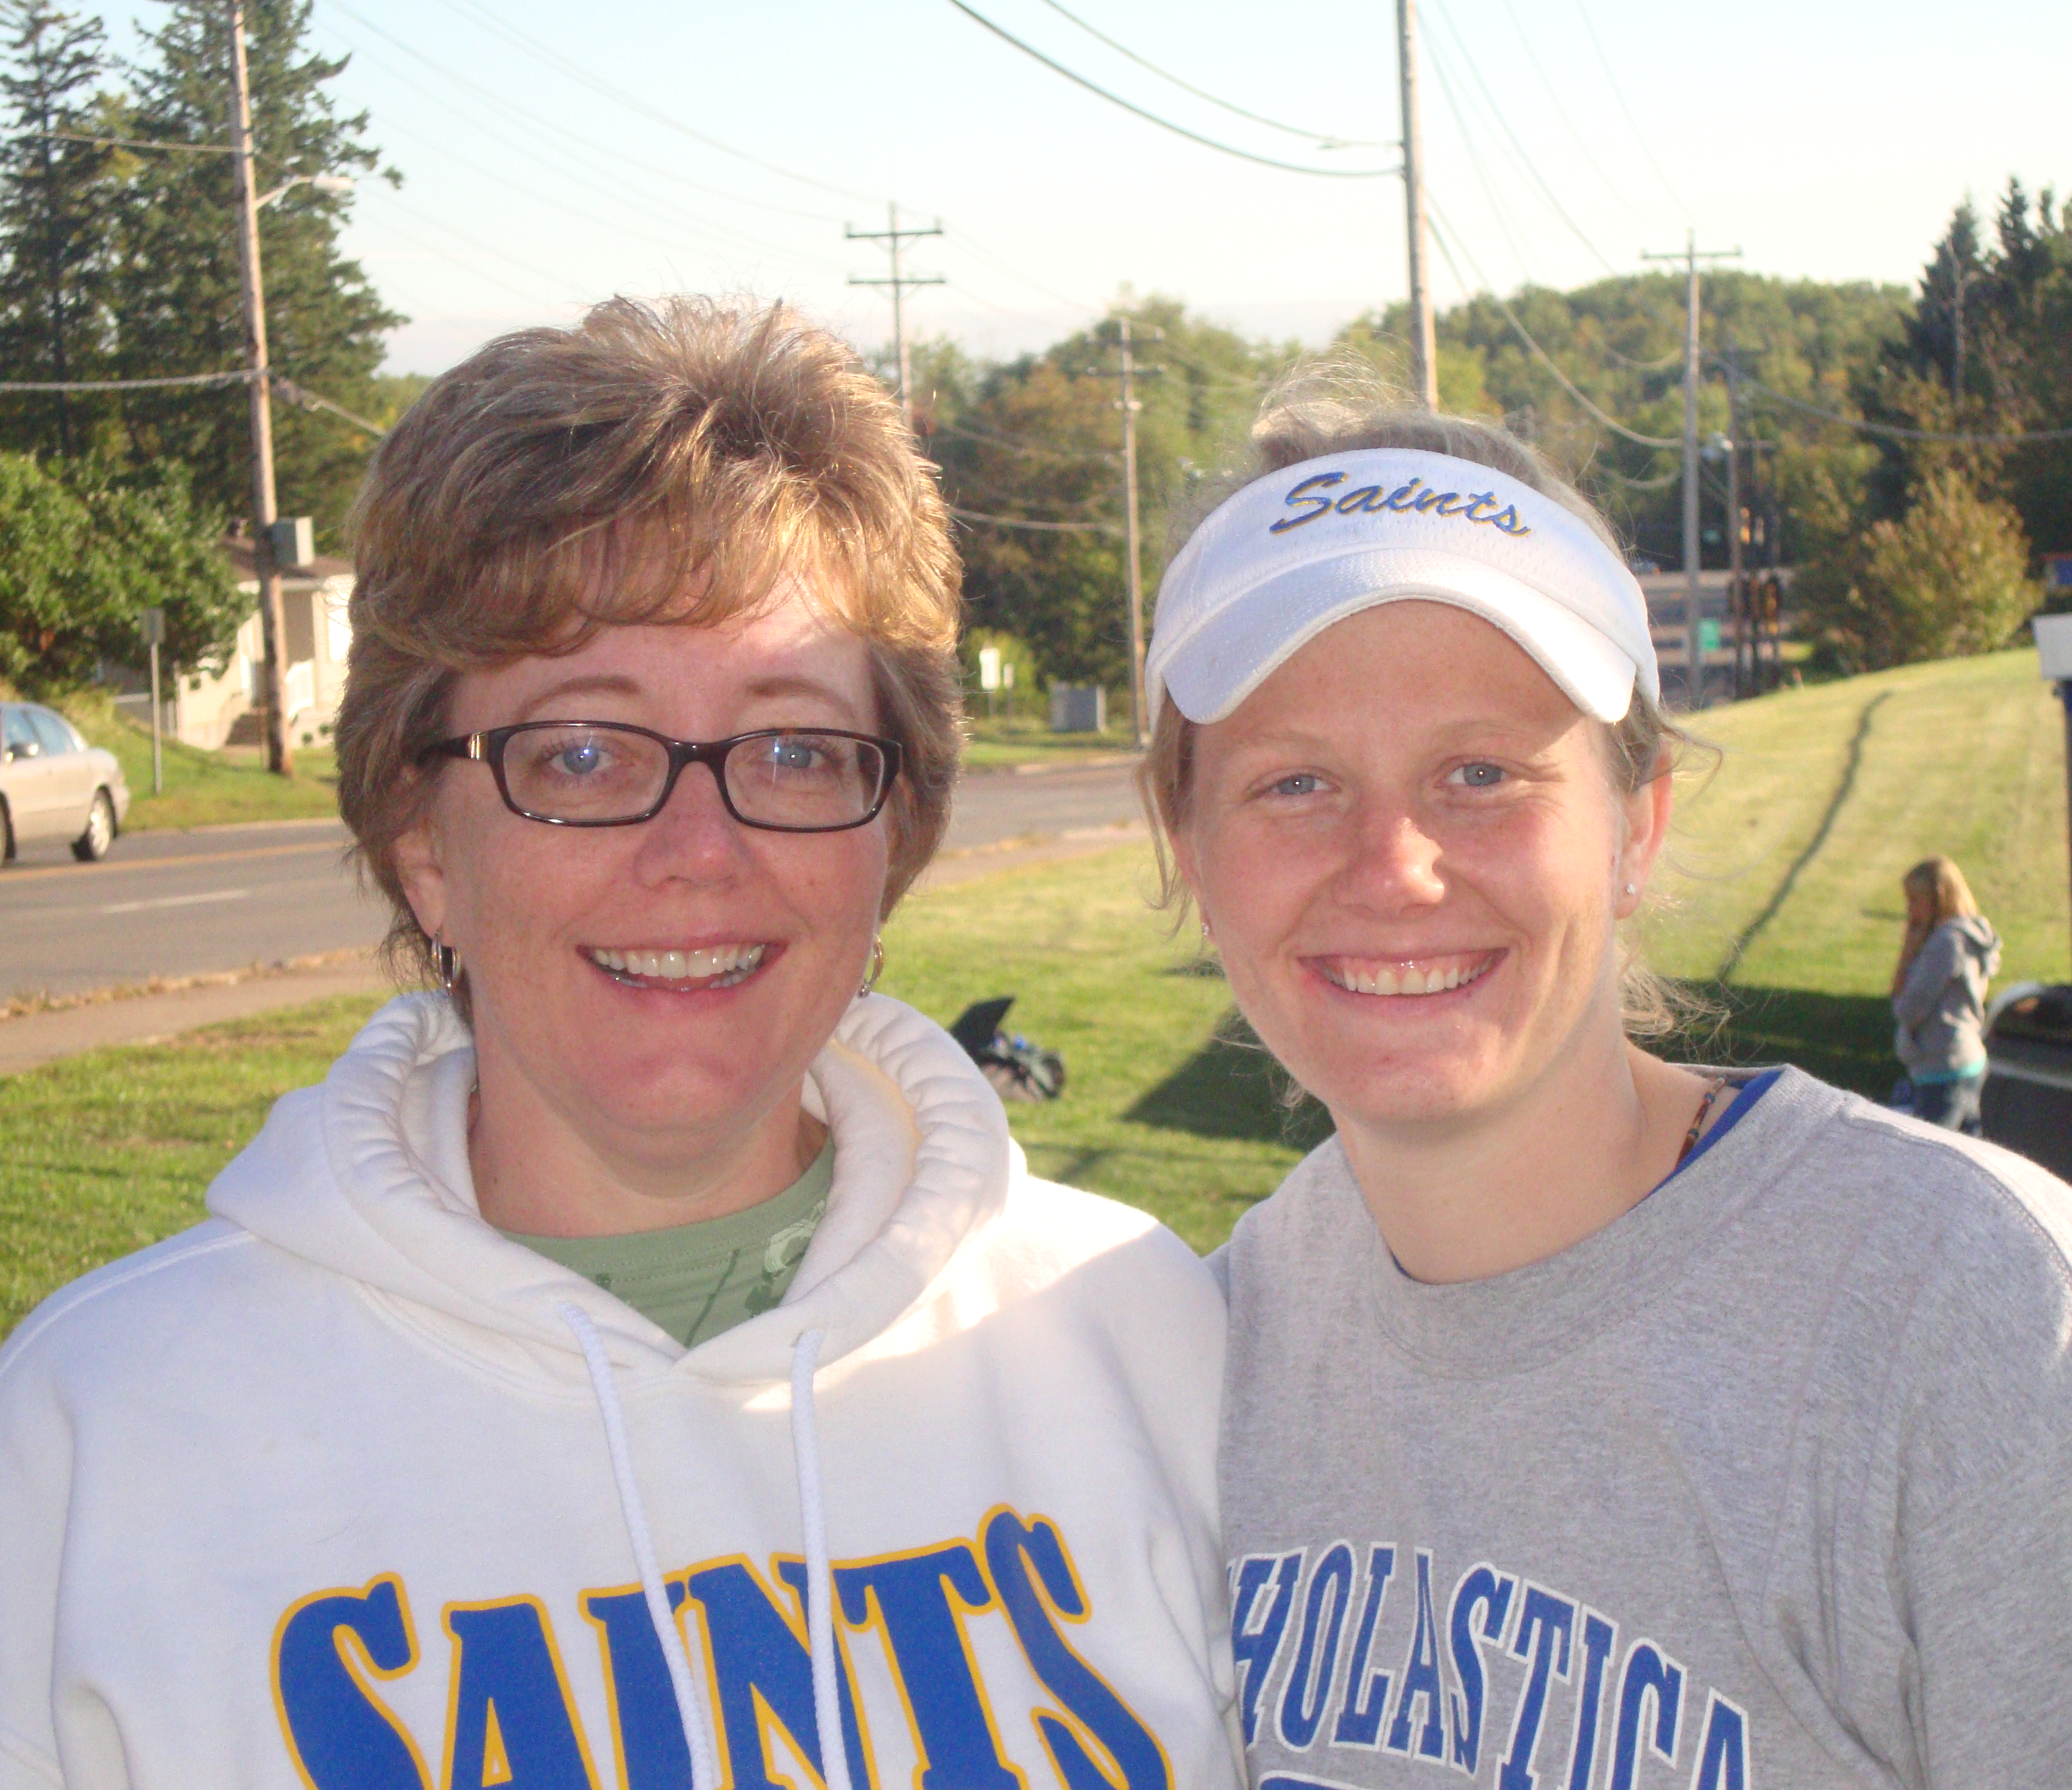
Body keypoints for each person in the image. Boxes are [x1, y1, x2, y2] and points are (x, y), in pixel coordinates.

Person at [0, 300, 1235, 1790]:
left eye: (793, 747)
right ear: (421, 838)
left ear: (889, 833)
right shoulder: (95, 1437)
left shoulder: (1137, 1335)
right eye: (581, 750)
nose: (696, 850)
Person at [1138, 374, 2072, 1788]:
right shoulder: (1203, 1348)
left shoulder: (1998, 1354)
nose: (1392, 864)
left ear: (1634, 826)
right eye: (1292, 782)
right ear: (1189, 849)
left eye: (1481, 771)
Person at [1889, 855, 2000, 1135]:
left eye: (1915, 900)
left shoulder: (1946, 944)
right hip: (1965, 1062)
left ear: (1939, 897)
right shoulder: (1970, 933)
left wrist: (1908, 953)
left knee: (1928, 1164)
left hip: (1944, 1073)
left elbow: (1908, 1009)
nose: (1910, 910)